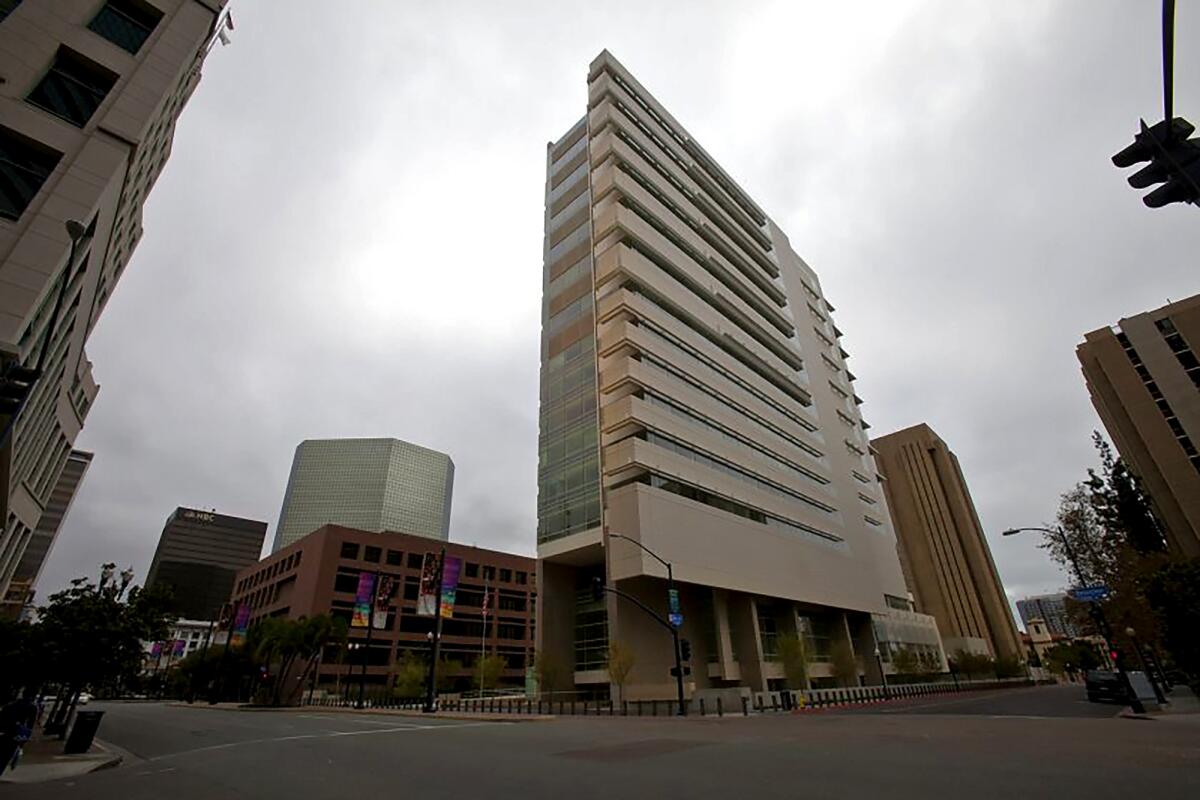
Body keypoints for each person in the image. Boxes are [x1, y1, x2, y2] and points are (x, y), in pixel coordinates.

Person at [0, 691, 37, 777]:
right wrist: (23, 742)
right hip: (16, 735)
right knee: (5, 757)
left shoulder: (10, 706)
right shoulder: (32, 708)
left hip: (4, 733)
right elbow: (29, 725)